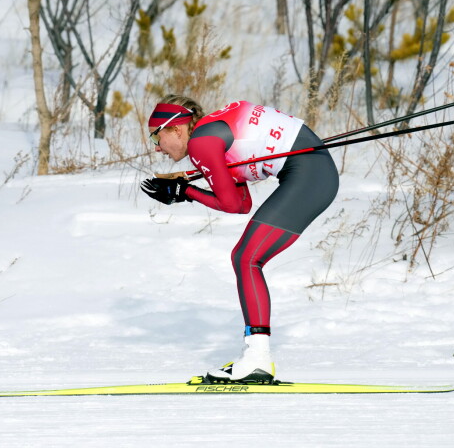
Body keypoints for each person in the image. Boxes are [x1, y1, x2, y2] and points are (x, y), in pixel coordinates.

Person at [141, 95, 339, 383]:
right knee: (246, 258)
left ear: (176, 129)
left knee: (247, 258)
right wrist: (185, 191)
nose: (157, 147)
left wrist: (185, 192)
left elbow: (233, 206)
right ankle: (256, 357)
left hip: (309, 176)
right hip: (313, 173)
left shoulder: (201, 143)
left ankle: (257, 359)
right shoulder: (213, 133)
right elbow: (242, 203)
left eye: (156, 137)